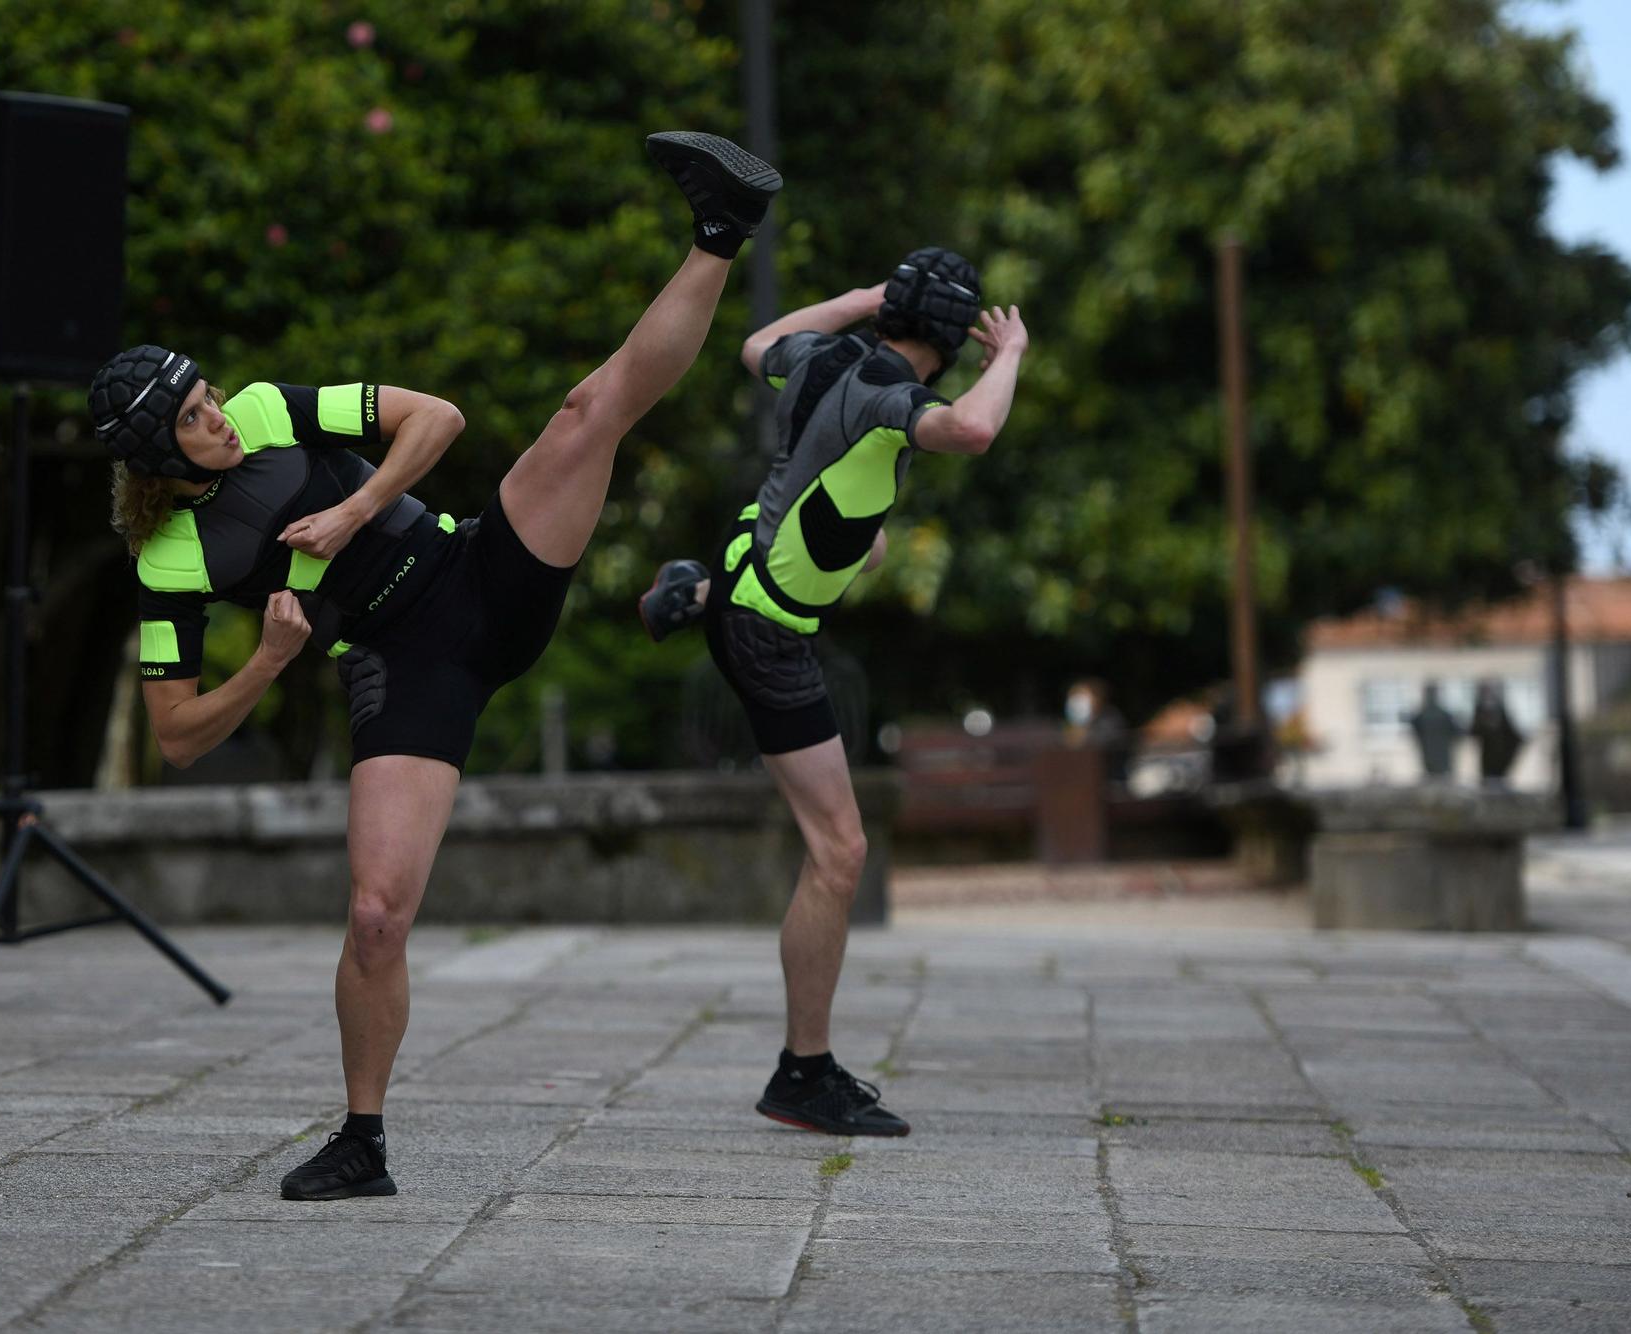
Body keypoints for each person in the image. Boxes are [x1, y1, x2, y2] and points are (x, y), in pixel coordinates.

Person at [88, 132, 781, 1201]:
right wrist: (271, 659)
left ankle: (719, 229)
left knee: (589, 412)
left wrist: (355, 505)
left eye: (208, 395)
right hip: (406, 666)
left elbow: (437, 418)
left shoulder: (274, 409)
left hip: (476, 571)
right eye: (192, 418)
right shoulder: (167, 562)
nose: (219, 417)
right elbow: (176, 735)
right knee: (375, 914)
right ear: (155, 458)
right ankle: (362, 1140)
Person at [640, 248, 1029, 1136]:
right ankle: (802, 1072)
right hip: (769, 635)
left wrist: (861, 297)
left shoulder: (823, 358)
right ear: (950, 341)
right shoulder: (894, 399)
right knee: (840, 852)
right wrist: (1007, 353)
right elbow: (970, 432)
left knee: (872, 541)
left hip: (748, 576)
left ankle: (689, 594)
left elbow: (757, 344)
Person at [1469, 679, 1523, 787]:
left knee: (1498, 779)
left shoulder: (1500, 709)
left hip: (1500, 752)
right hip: (1488, 753)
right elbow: (1474, 730)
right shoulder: (1480, 710)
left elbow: (1510, 731)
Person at [1407, 681, 1460, 781]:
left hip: (1440, 756)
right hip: (1432, 756)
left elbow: (1456, 732)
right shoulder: (1426, 715)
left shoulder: (1441, 715)